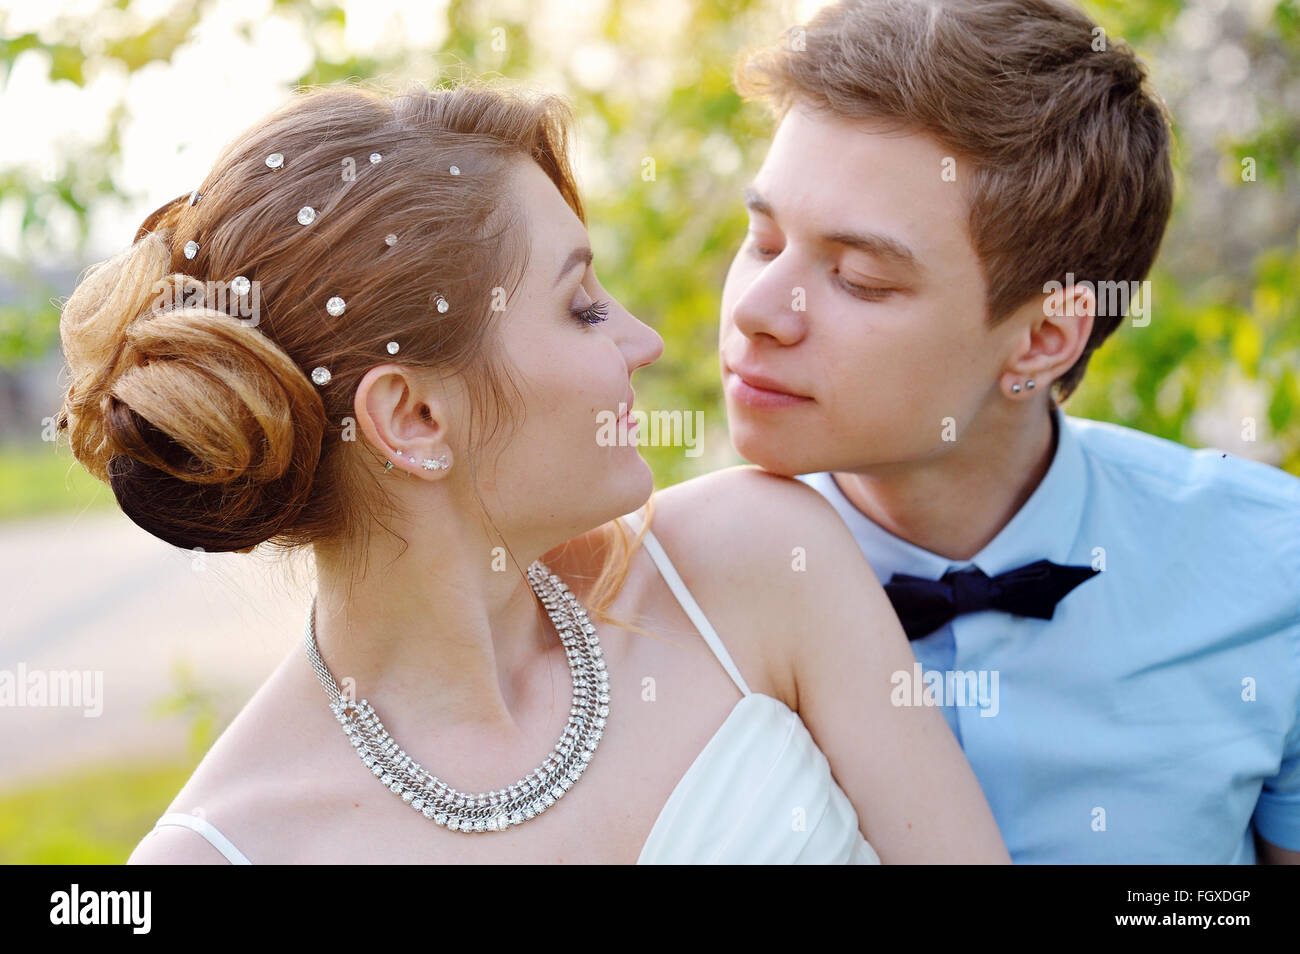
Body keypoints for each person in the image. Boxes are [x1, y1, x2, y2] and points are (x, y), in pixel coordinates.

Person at [57, 81, 1008, 864]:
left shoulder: (762, 564)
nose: (644, 340)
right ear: (415, 418)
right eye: (584, 307)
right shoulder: (223, 853)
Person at [719, 0, 1300, 863]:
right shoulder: (655, 596)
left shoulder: (1272, 565)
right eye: (764, 242)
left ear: (1041, 338)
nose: (759, 312)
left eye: (860, 279)